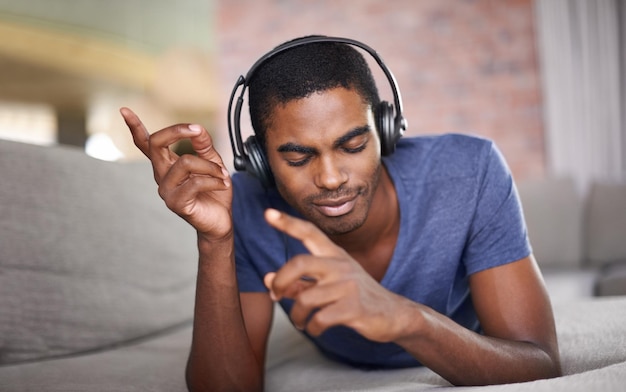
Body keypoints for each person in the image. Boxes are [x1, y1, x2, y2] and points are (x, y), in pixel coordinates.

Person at [120, 36, 561, 392]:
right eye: (297, 159)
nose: (331, 178)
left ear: (386, 130)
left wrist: (405, 318)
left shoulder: (471, 169)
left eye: (353, 146)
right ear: (259, 161)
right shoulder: (246, 204)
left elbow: (539, 364)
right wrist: (215, 241)